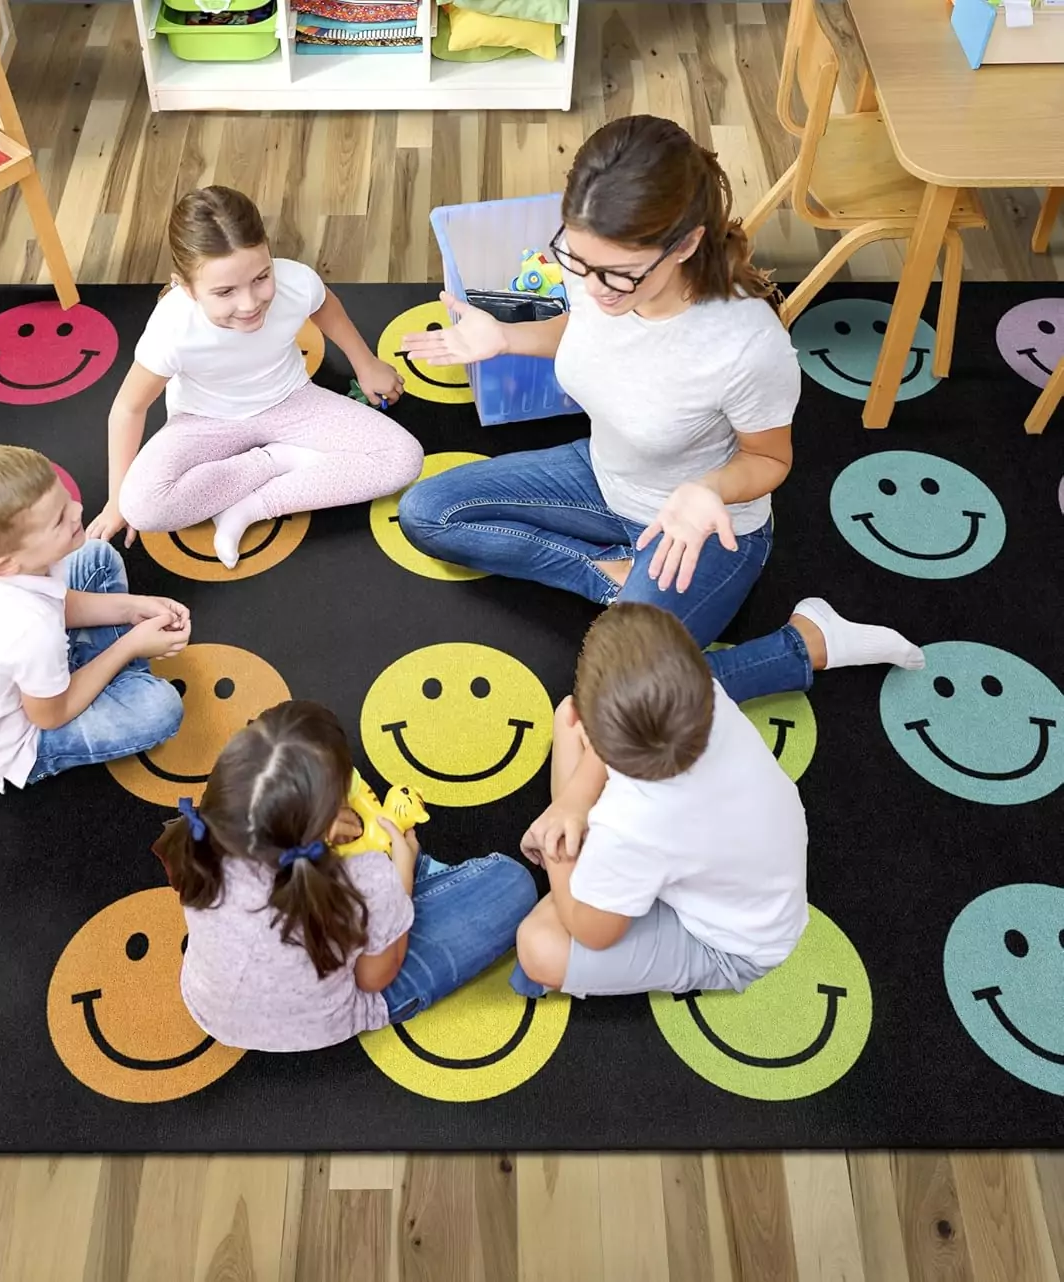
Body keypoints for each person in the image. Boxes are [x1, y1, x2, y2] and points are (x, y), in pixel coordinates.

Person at [397, 114, 924, 708]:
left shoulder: (746, 342)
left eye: (618, 275)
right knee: (428, 514)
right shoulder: (597, 261)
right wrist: (508, 339)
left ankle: (808, 642)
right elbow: (590, 329)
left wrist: (708, 490)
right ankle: (611, 575)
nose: (593, 287)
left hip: (704, 526)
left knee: (622, 700)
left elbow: (770, 458)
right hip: (602, 476)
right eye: (577, 260)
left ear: (687, 244)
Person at [154, 700, 538, 1053]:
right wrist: (400, 872)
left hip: (210, 1009)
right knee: (512, 883)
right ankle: (418, 877)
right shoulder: (369, 877)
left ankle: (410, 890)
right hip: (332, 1017)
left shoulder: (200, 842)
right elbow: (375, 978)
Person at [86, 185, 424, 569]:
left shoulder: (295, 281)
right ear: (186, 287)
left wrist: (366, 364)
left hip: (292, 401)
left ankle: (250, 506)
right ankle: (273, 461)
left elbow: (325, 305)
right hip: (204, 421)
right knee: (143, 508)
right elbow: (129, 408)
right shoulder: (172, 329)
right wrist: (116, 501)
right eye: (225, 291)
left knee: (403, 459)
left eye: (261, 278)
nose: (249, 304)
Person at [512, 604, 807, 999]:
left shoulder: (634, 826)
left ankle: (594, 872)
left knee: (538, 946)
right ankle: (606, 877)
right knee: (569, 718)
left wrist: (556, 853)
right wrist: (574, 802)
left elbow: (593, 933)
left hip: (733, 944)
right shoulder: (705, 697)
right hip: (748, 875)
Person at [0, 444, 188, 792]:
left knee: (96, 556)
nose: (77, 510)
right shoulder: (26, 629)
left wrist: (130, 607)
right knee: (159, 710)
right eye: (60, 519)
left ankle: (105, 674)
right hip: (27, 739)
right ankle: (117, 674)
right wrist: (129, 645)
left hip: (35, 665)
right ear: (7, 565)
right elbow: (51, 715)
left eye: (65, 498)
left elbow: (56, 603)